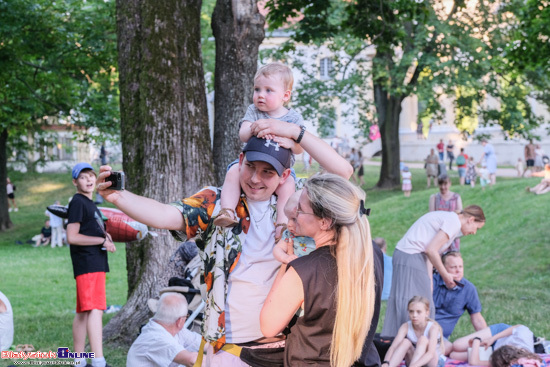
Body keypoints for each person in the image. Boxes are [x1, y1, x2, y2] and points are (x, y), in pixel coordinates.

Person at [97, 129, 353, 364]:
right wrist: (118, 196)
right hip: (228, 345)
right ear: (240, 161)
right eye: (250, 167)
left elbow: (343, 174)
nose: (255, 179)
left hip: (284, 345)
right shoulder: (217, 203)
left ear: (284, 175)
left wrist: (296, 133)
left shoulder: (300, 203)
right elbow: (166, 215)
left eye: (268, 172)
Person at [260, 173, 375, 367]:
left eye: (300, 209)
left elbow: (268, 326)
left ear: (325, 222)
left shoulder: (304, 270)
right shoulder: (366, 261)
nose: (295, 214)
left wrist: (286, 262)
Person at [214, 62, 304, 239]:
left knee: (288, 186)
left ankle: (282, 223)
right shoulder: (254, 111)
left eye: (268, 90)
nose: (260, 95)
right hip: (253, 160)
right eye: (257, 89)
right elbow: (243, 134)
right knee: (233, 171)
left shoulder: (293, 117)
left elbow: (300, 147)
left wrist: (290, 141)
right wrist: (258, 128)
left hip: (280, 168)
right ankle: (227, 211)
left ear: (285, 95)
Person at [381, 206, 486, 337]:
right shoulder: (453, 222)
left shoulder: (452, 223)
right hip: (410, 256)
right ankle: (408, 342)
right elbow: (431, 250)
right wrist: (445, 275)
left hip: (415, 257)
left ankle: (417, 343)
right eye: (477, 227)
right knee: (414, 303)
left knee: (424, 302)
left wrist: (429, 279)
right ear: (471, 220)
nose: (475, 232)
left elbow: (430, 254)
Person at [66, 163, 116, 367]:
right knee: (96, 309)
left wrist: (104, 235)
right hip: (88, 263)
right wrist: (100, 241)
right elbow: (72, 236)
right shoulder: (78, 202)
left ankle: (78, 361)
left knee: (83, 312)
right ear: (74, 182)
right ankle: (98, 361)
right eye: (83, 177)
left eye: (91, 176)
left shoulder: (89, 203)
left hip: (92, 263)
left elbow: (89, 229)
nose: (88, 180)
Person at [126, 292, 201, 367]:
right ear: (180, 321)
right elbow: (192, 360)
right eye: (186, 316)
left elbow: (203, 343)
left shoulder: (174, 329)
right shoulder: (156, 338)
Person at [433, 252, 487, 353]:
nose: (458, 271)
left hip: (441, 338)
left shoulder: (468, 289)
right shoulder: (432, 282)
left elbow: (477, 318)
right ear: (442, 268)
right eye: (453, 267)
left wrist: (488, 339)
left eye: (460, 267)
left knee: (450, 348)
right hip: (421, 331)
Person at [382, 296, 445, 367]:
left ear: (427, 313)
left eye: (419, 312)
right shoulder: (405, 326)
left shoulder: (433, 328)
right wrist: (386, 362)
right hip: (414, 362)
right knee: (405, 342)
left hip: (432, 362)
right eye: (411, 311)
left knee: (423, 340)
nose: (414, 315)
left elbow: (430, 354)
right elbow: (393, 347)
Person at [451, 324, 535, 366]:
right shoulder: (524, 337)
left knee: (453, 355)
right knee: (457, 345)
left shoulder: (502, 361)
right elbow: (519, 326)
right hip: (500, 333)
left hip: (495, 351)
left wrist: (476, 341)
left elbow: (474, 362)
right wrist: (492, 339)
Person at [272, 191, 316, 264]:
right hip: (295, 268)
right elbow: (278, 249)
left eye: (294, 219)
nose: (289, 224)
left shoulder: (318, 235)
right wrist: (285, 257)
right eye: (288, 218)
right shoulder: (289, 234)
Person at [429, 175, 463, 251]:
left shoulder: (456, 197)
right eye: (441, 184)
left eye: (445, 184)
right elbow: (431, 217)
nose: (443, 187)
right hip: (439, 234)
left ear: (450, 184)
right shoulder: (434, 197)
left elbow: (460, 214)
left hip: (453, 234)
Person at [374, 237, 392, 301]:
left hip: (374, 296)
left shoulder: (368, 262)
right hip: (389, 295)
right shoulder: (392, 261)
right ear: (385, 248)